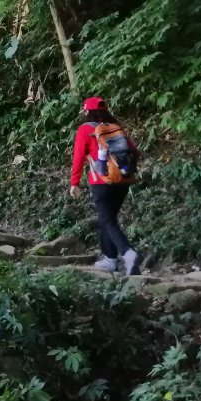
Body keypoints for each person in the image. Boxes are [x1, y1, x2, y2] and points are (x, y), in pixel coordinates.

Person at [69, 96, 142, 274]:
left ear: (87, 111)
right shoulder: (116, 128)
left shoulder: (85, 129)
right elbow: (134, 151)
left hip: (101, 181)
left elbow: (78, 157)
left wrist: (74, 183)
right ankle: (110, 259)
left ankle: (127, 252)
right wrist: (123, 169)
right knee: (107, 219)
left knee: (107, 219)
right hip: (123, 180)